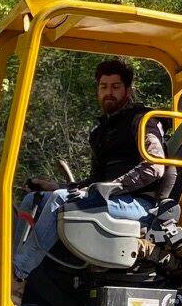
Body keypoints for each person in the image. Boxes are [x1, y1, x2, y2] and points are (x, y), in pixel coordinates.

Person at [12, 58, 169, 281]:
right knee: (34, 199)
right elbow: (95, 180)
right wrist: (59, 186)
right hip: (107, 198)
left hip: (138, 204)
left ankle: (17, 275)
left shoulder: (142, 121)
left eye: (115, 87)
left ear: (128, 90)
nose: (109, 93)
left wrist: (113, 188)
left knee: (58, 199)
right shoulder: (101, 131)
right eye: (104, 87)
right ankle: (15, 276)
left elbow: (155, 166)